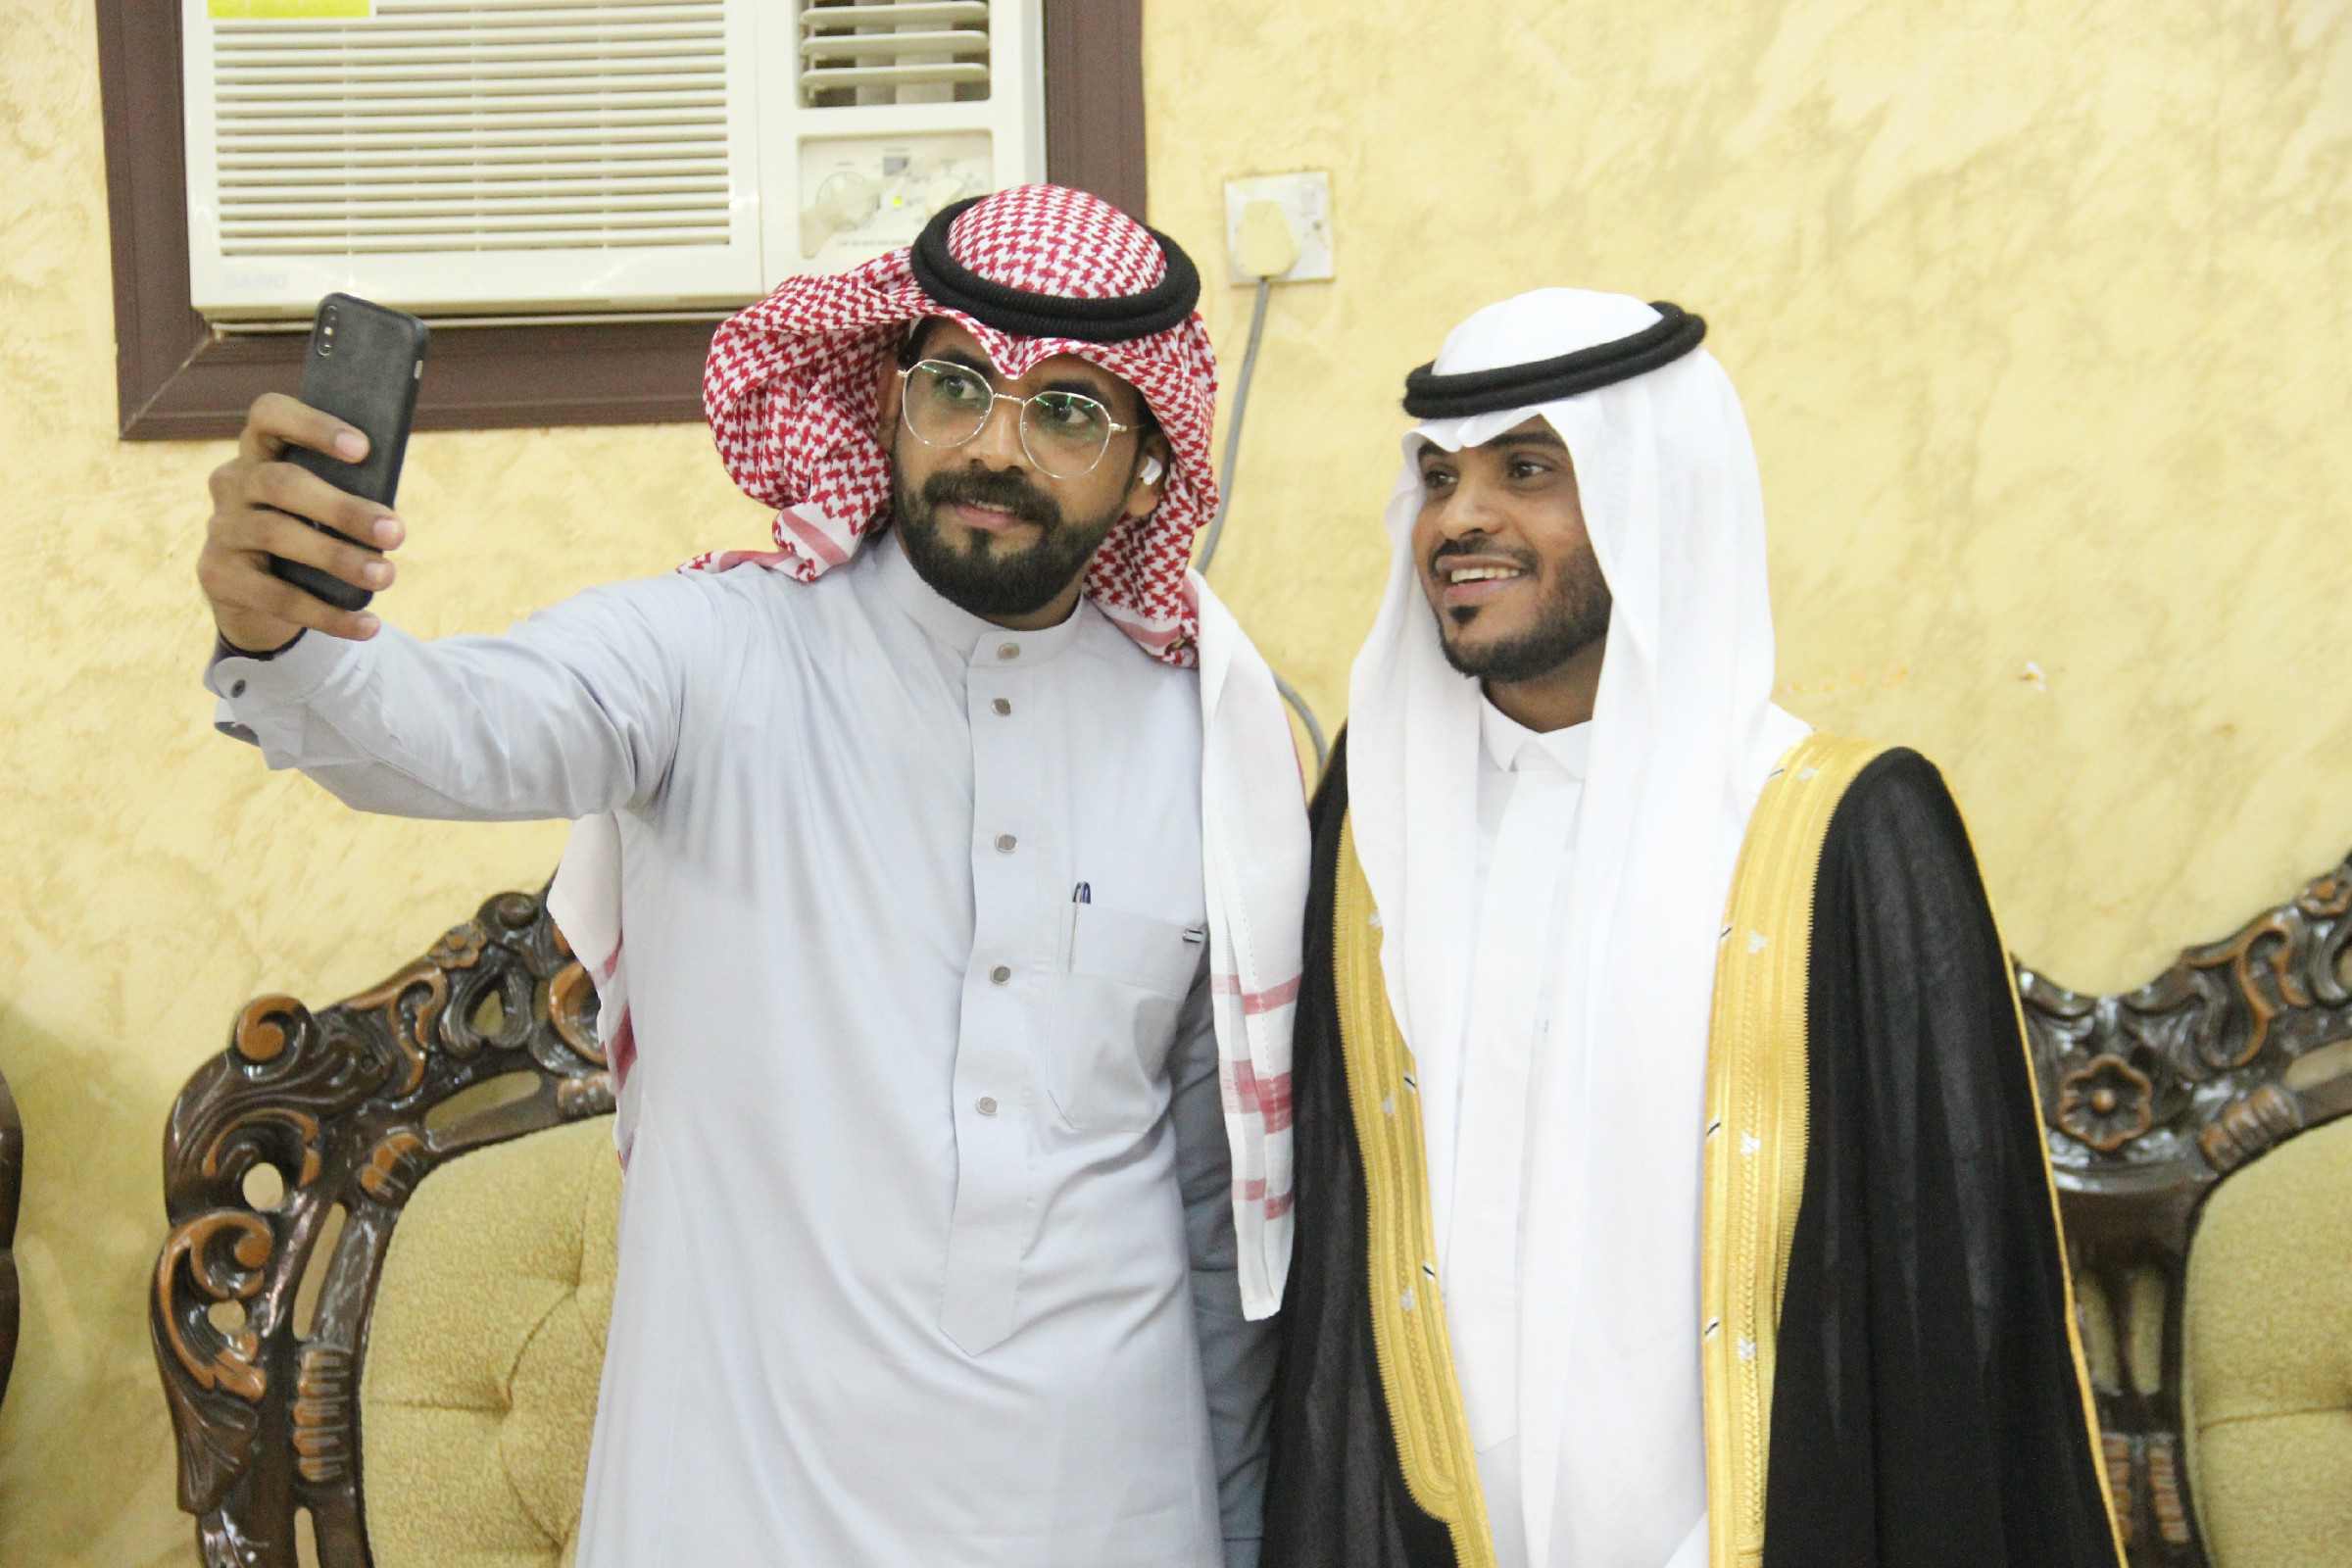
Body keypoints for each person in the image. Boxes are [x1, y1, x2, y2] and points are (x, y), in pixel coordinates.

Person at [195, 185, 1311, 1568]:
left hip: (1108, 1510)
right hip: (743, 1502)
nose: (994, 446)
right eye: (957, 386)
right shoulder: (715, 654)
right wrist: (288, 635)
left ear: (1149, 467)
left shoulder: (1209, 737)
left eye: (1070, 413)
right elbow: (455, 725)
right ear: (888, 397)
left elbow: (1217, 1206)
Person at [1260, 289, 2121, 1568]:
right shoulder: (1369, 832)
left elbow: (1943, 1298)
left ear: (1654, 498)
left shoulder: (1837, 831)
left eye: (1527, 469)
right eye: (1440, 477)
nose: (1460, 520)